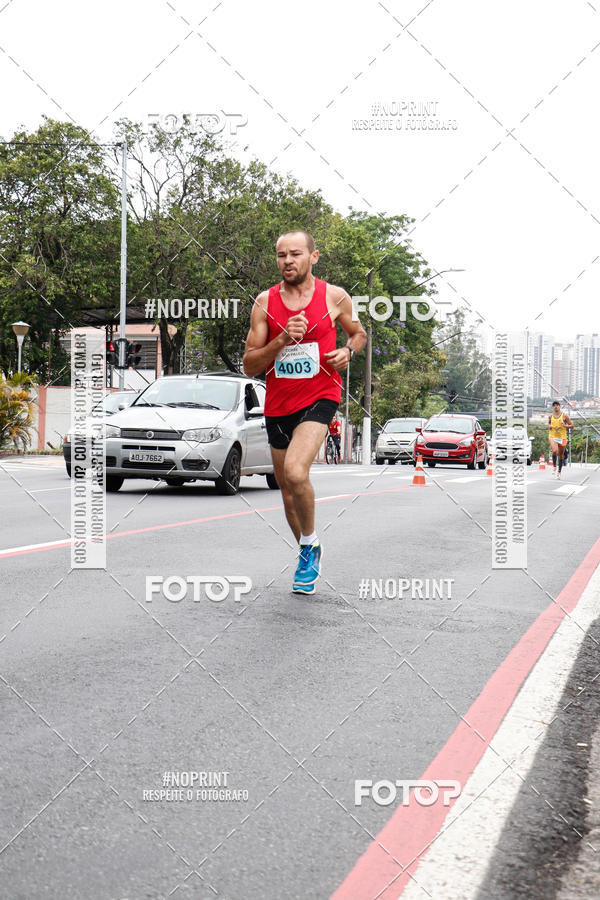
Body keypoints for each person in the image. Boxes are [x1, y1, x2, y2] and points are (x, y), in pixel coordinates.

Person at [243, 230, 366, 594]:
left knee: (297, 472)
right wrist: (281, 340)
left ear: (314, 256)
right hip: (279, 404)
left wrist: (349, 352)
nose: (287, 261)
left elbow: (358, 333)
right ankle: (307, 547)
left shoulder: (335, 296)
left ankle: (309, 546)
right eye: (281, 255)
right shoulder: (265, 303)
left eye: (295, 254)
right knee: (286, 489)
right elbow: (250, 365)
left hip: (320, 396)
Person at [548, 400, 573, 479]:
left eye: (557, 405)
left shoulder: (564, 416)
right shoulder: (550, 416)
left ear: (560, 406)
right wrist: (549, 426)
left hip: (562, 437)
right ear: (552, 407)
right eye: (554, 405)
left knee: (561, 455)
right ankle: (554, 466)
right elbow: (549, 423)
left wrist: (565, 426)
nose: (556, 406)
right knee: (555, 451)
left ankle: (559, 472)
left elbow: (572, 425)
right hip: (552, 436)